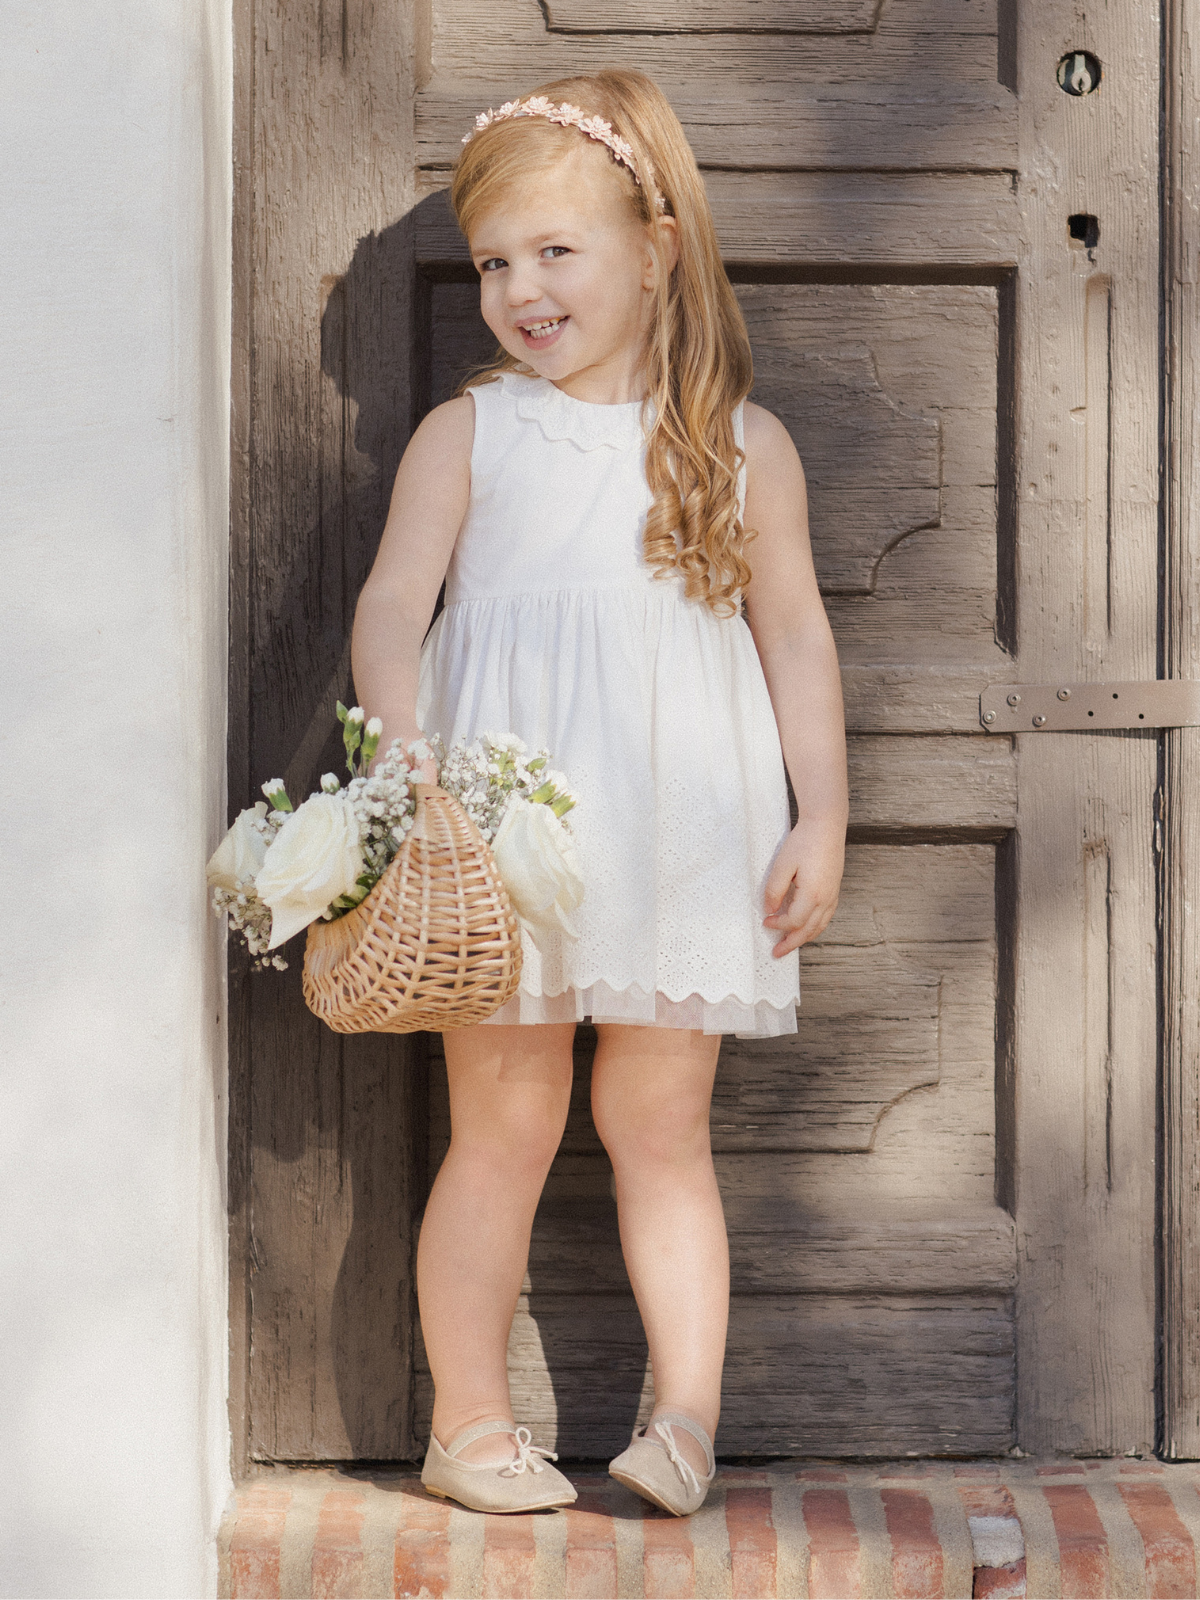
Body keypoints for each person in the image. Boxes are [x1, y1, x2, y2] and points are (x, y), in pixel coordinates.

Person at [351, 68, 847, 1517]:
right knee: (500, 1121)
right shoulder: (473, 436)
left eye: (555, 252)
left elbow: (796, 634)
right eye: (498, 261)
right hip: (502, 834)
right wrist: (400, 753)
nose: (520, 289)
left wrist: (822, 810)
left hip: (682, 832)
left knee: (662, 1124)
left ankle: (683, 1419)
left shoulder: (741, 447)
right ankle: (469, 1425)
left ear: (659, 249)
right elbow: (393, 607)